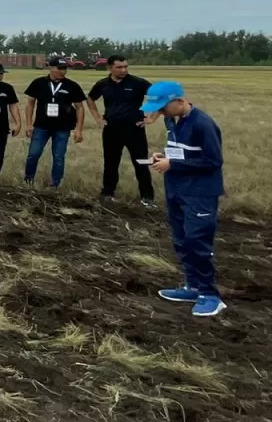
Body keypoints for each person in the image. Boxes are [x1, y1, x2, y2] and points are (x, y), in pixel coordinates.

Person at [141, 80, 226, 317]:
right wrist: (163, 156)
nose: (159, 112)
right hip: (176, 189)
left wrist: (173, 163)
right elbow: (184, 151)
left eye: (163, 106)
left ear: (179, 100)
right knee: (182, 240)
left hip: (199, 193)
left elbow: (213, 161)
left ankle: (210, 295)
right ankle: (193, 286)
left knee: (198, 242)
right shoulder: (172, 120)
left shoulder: (203, 123)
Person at [86, 54, 156, 206]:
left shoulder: (138, 82)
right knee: (111, 163)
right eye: (119, 67)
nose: (123, 70)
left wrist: (152, 118)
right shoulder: (103, 84)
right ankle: (107, 194)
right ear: (110, 68)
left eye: (125, 66)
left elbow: (158, 96)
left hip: (135, 129)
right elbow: (90, 98)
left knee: (141, 163)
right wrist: (98, 118)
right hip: (111, 129)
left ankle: (147, 198)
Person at [22, 57, 86, 187]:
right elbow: (30, 104)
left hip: (62, 128)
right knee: (33, 155)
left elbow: (80, 107)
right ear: (50, 68)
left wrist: (79, 129)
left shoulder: (72, 86)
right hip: (41, 126)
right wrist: (28, 124)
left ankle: (55, 184)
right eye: (59, 68)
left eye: (65, 69)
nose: (63, 72)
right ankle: (28, 180)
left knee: (58, 158)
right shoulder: (38, 83)